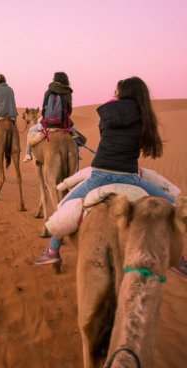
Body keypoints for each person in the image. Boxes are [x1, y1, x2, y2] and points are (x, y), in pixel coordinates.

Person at [34, 76, 174, 265]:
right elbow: (142, 144)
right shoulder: (145, 117)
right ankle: (178, 256)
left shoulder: (107, 113)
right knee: (172, 204)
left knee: (65, 205)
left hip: (99, 174)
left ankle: (53, 250)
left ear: (121, 93)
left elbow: (104, 136)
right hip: (130, 176)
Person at [23, 72, 75, 162]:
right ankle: (78, 151)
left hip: (47, 123)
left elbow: (44, 108)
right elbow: (69, 109)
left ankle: (28, 153)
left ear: (54, 79)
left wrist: (45, 117)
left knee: (30, 131)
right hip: (64, 123)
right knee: (75, 132)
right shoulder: (67, 91)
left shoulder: (48, 91)